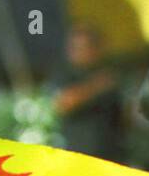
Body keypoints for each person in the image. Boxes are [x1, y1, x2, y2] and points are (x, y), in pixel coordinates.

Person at [50, 21, 126, 164]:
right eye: (74, 47)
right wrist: (97, 85)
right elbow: (64, 103)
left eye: (84, 47)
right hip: (80, 158)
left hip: (112, 156)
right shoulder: (65, 73)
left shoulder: (110, 70)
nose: (77, 52)